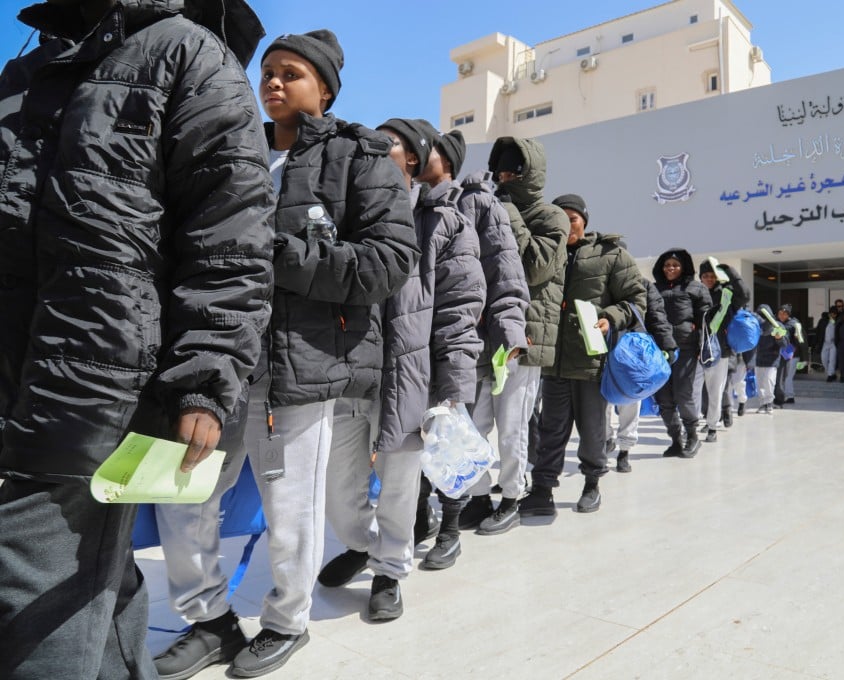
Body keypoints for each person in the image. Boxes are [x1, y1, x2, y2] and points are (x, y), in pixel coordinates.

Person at [0, 1, 275, 678]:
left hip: (94, 386)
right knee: (100, 593)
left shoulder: (188, 54)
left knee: (32, 609)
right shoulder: (24, 71)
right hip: (15, 373)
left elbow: (229, 237)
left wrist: (206, 378)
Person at [160, 32, 419, 679]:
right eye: (267, 72)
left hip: (299, 368)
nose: (272, 83)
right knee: (181, 495)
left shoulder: (359, 158)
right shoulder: (231, 157)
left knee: (290, 514)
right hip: (216, 364)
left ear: (325, 89)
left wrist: (284, 254)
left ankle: (286, 621)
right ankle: (209, 620)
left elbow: (388, 264)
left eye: (291, 73)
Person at [318, 117, 483, 589]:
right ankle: (362, 543)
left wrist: (453, 387)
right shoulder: (347, 215)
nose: (373, 149)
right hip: (348, 365)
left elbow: (459, 308)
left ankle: (390, 570)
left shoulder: (445, 223)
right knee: (339, 487)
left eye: (387, 144)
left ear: (412, 156)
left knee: (398, 481)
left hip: (411, 372)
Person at [415, 129, 531, 536]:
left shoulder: (478, 201)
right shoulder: (409, 202)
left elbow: (505, 268)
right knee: (444, 434)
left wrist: (510, 331)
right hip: (424, 344)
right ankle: (462, 504)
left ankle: (496, 503)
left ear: (446, 158)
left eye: (425, 149)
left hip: (475, 342)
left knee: (485, 430)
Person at [521, 194, 645, 516]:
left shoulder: (609, 254)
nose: (566, 223)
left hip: (591, 362)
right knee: (550, 430)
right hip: (553, 363)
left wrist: (612, 317)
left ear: (584, 221)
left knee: (592, 431)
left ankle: (592, 485)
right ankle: (542, 490)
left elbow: (635, 299)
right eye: (560, 217)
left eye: (572, 217)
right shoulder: (548, 253)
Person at [480, 139, 569, 515]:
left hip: (526, 337)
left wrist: (509, 212)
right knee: (478, 422)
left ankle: (513, 497)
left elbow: (536, 267)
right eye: (500, 170)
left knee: (513, 425)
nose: (504, 177)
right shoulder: (488, 208)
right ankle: (477, 495)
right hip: (485, 335)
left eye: (513, 170)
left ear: (530, 173)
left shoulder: (552, 217)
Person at [605, 278, 677, 472]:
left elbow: (656, 315)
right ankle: (605, 438)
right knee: (602, 398)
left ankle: (624, 451)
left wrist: (667, 344)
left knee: (630, 399)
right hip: (603, 344)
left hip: (633, 347)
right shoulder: (598, 275)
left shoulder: (641, 283)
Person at [652, 248, 712, 458]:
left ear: (684, 267)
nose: (671, 268)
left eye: (675, 265)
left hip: (686, 348)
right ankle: (676, 439)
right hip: (660, 349)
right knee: (664, 398)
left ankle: (693, 436)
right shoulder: (654, 288)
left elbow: (706, 319)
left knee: (683, 393)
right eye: (667, 265)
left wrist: (701, 345)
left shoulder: (696, 288)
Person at [698, 259, 750, 442]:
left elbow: (744, 295)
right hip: (696, 350)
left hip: (720, 351)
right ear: (700, 277)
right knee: (696, 392)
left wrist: (731, 272)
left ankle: (713, 425)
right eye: (705, 276)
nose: (709, 279)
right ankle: (697, 423)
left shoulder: (726, 294)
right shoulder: (695, 293)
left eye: (712, 276)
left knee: (715, 390)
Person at [753, 305, 791, 414]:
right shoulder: (756, 325)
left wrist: (779, 338)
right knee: (760, 384)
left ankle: (769, 403)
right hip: (759, 359)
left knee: (769, 383)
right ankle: (762, 404)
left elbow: (785, 344)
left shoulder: (777, 325)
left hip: (772, 360)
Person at [775, 303, 802, 406]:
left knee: (787, 376)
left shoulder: (794, 325)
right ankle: (782, 396)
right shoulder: (776, 323)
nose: (782, 316)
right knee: (781, 377)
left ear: (788, 315)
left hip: (791, 354)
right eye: (780, 313)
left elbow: (800, 342)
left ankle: (789, 396)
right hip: (780, 354)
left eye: (784, 314)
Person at [815, 306, 839, 382]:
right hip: (825, 343)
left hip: (833, 344)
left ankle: (830, 375)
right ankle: (832, 374)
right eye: (831, 314)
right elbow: (818, 332)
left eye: (834, 314)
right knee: (824, 359)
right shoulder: (823, 321)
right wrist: (816, 343)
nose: (833, 315)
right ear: (829, 314)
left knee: (832, 360)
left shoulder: (837, 321)